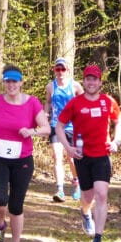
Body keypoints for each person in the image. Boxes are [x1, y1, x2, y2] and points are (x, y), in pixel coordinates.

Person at [0, 65, 50, 242]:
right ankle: (0, 224)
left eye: (15, 81)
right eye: (8, 81)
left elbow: (46, 128)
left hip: (22, 160)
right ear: (3, 82)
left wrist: (31, 131)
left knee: (16, 205)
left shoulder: (32, 103)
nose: (11, 85)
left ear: (21, 82)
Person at [55, 64, 121, 242]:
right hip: (82, 155)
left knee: (101, 194)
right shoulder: (75, 103)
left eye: (94, 79)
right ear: (84, 81)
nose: (91, 82)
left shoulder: (107, 101)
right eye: (88, 79)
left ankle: (98, 239)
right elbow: (59, 126)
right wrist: (68, 148)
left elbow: (119, 121)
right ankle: (86, 213)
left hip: (102, 154)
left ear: (100, 82)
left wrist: (117, 140)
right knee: (87, 197)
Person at [44, 57, 84, 203]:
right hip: (56, 125)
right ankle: (60, 190)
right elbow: (48, 102)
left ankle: (77, 182)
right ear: (54, 70)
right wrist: (45, 113)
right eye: (57, 69)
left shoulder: (75, 86)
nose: (60, 72)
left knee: (71, 157)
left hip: (72, 127)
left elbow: (84, 100)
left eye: (63, 69)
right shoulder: (50, 86)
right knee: (56, 155)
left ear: (68, 70)